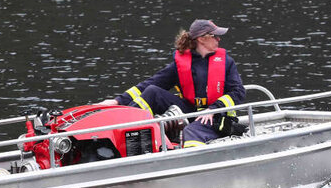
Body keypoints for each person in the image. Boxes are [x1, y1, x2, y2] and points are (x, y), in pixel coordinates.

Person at [98, 19, 246, 147]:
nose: (219, 40)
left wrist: (214, 109)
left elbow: (238, 92)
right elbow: (152, 82)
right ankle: (121, 130)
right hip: (191, 112)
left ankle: (191, 170)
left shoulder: (226, 62)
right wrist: (117, 101)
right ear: (201, 39)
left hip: (216, 117)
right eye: (215, 36)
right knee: (152, 92)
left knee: (191, 132)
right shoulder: (181, 64)